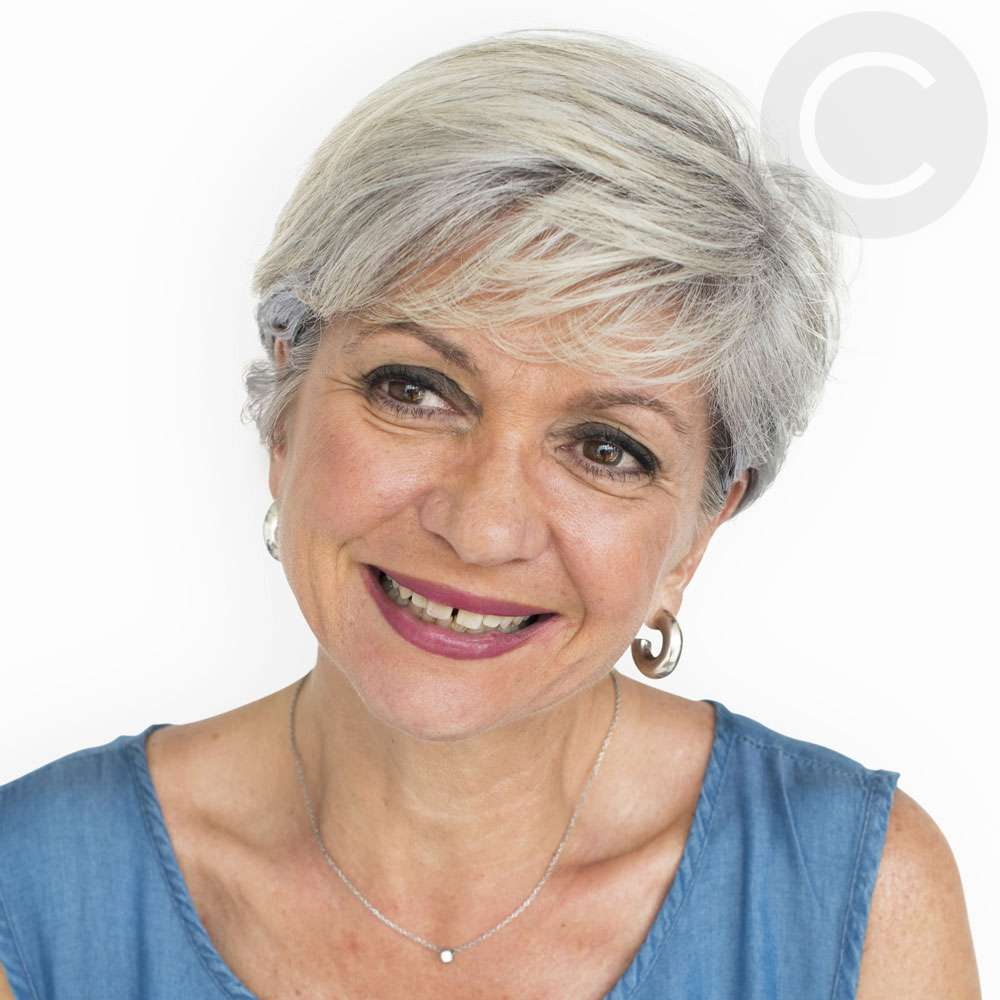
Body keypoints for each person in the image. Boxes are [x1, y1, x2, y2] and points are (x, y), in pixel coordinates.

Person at [0, 27, 981, 1000]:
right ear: (286, 412)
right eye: (414, 390)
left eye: (607, 449)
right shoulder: (30, 890)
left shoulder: (856, 899)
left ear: (698, 530)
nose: (481, 527)